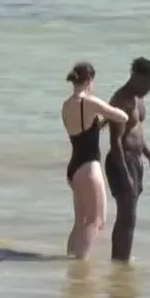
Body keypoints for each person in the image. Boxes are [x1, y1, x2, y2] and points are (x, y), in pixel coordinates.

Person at [59, 62, 128, 260]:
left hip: (73, 169)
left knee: (80, 221)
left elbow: (82, 133)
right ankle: (80, 264)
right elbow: (122, 117)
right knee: (97, 220)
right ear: (89, 80)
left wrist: (100, 121)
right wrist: (111, 111)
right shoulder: (89, 102)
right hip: (90, 168)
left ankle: (70, 260)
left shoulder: (66, 105)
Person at [104, 58, 150, 263]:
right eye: (147, 84)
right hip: (121, 160)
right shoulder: (121, 100)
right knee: (126, 217)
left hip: (135, 160)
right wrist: (125, 173)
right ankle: (119, 261)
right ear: (135, 77)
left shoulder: (138, 100)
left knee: (131, 216)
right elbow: (115, 141)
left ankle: (123, 258)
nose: (148, 89)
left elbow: (136, 134)